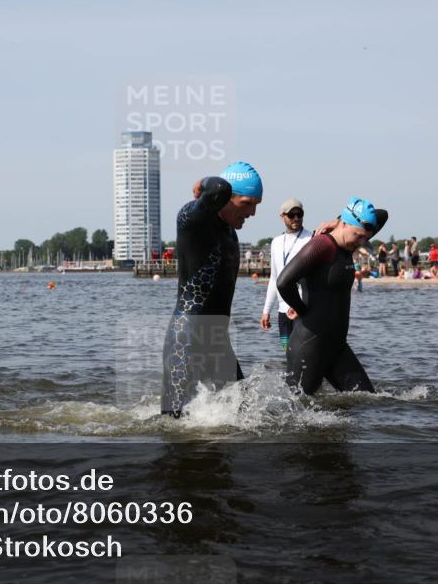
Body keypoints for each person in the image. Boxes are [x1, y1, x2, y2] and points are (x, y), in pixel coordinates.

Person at [161, 162, 263, 417]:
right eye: (247, 203)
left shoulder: (229, 231)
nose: (252, 213)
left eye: (256, 205)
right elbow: (217, 186)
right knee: (171, 422)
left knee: (245, 414)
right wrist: (204, 182)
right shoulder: (193, 220)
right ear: (226, 198)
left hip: (218, 339)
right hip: (188, 337)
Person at [276, 197, 388, 396]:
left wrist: (337, 220)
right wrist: (302, 310)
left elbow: (382, 214)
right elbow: (284, 282)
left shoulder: (348, 244)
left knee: (370, 401)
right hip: (310, 346)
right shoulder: (322, 245)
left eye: (365, 238)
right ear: (346, 224)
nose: (361, 242)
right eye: (358, 236)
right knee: (294, 413)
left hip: (336, 346)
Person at [261, 198, 314, 352]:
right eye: (292, 215)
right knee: (288, 354)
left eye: (300, 214)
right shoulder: (276, 242)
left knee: (305, 354)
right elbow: (274, 279)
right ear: (282, 216)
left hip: (303, 308)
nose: (296, 218)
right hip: (283, 311)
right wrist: (266, 311)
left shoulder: (311, 238)